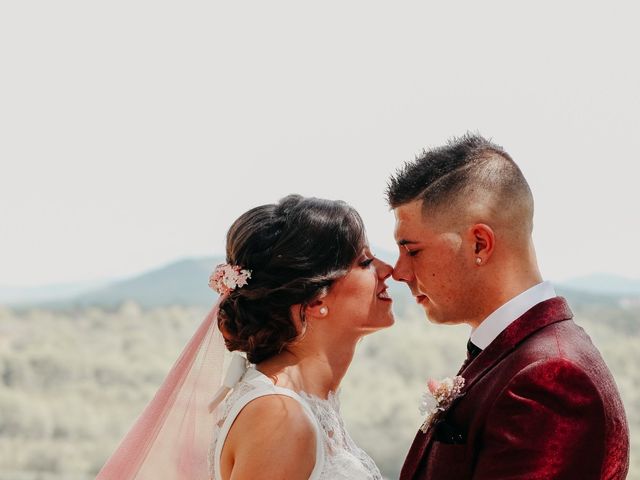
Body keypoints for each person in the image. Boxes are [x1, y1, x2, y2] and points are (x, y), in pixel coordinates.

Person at [96, 194, 393, 480]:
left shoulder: (304, 405)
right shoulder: (280, 416)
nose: (388, 269)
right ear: (315, 301)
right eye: (365, 262)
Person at [386, 134, 630, 479]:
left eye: (412, 251)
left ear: (479, 244)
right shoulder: (512, 357)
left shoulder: (551, 378)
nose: (398, 272)